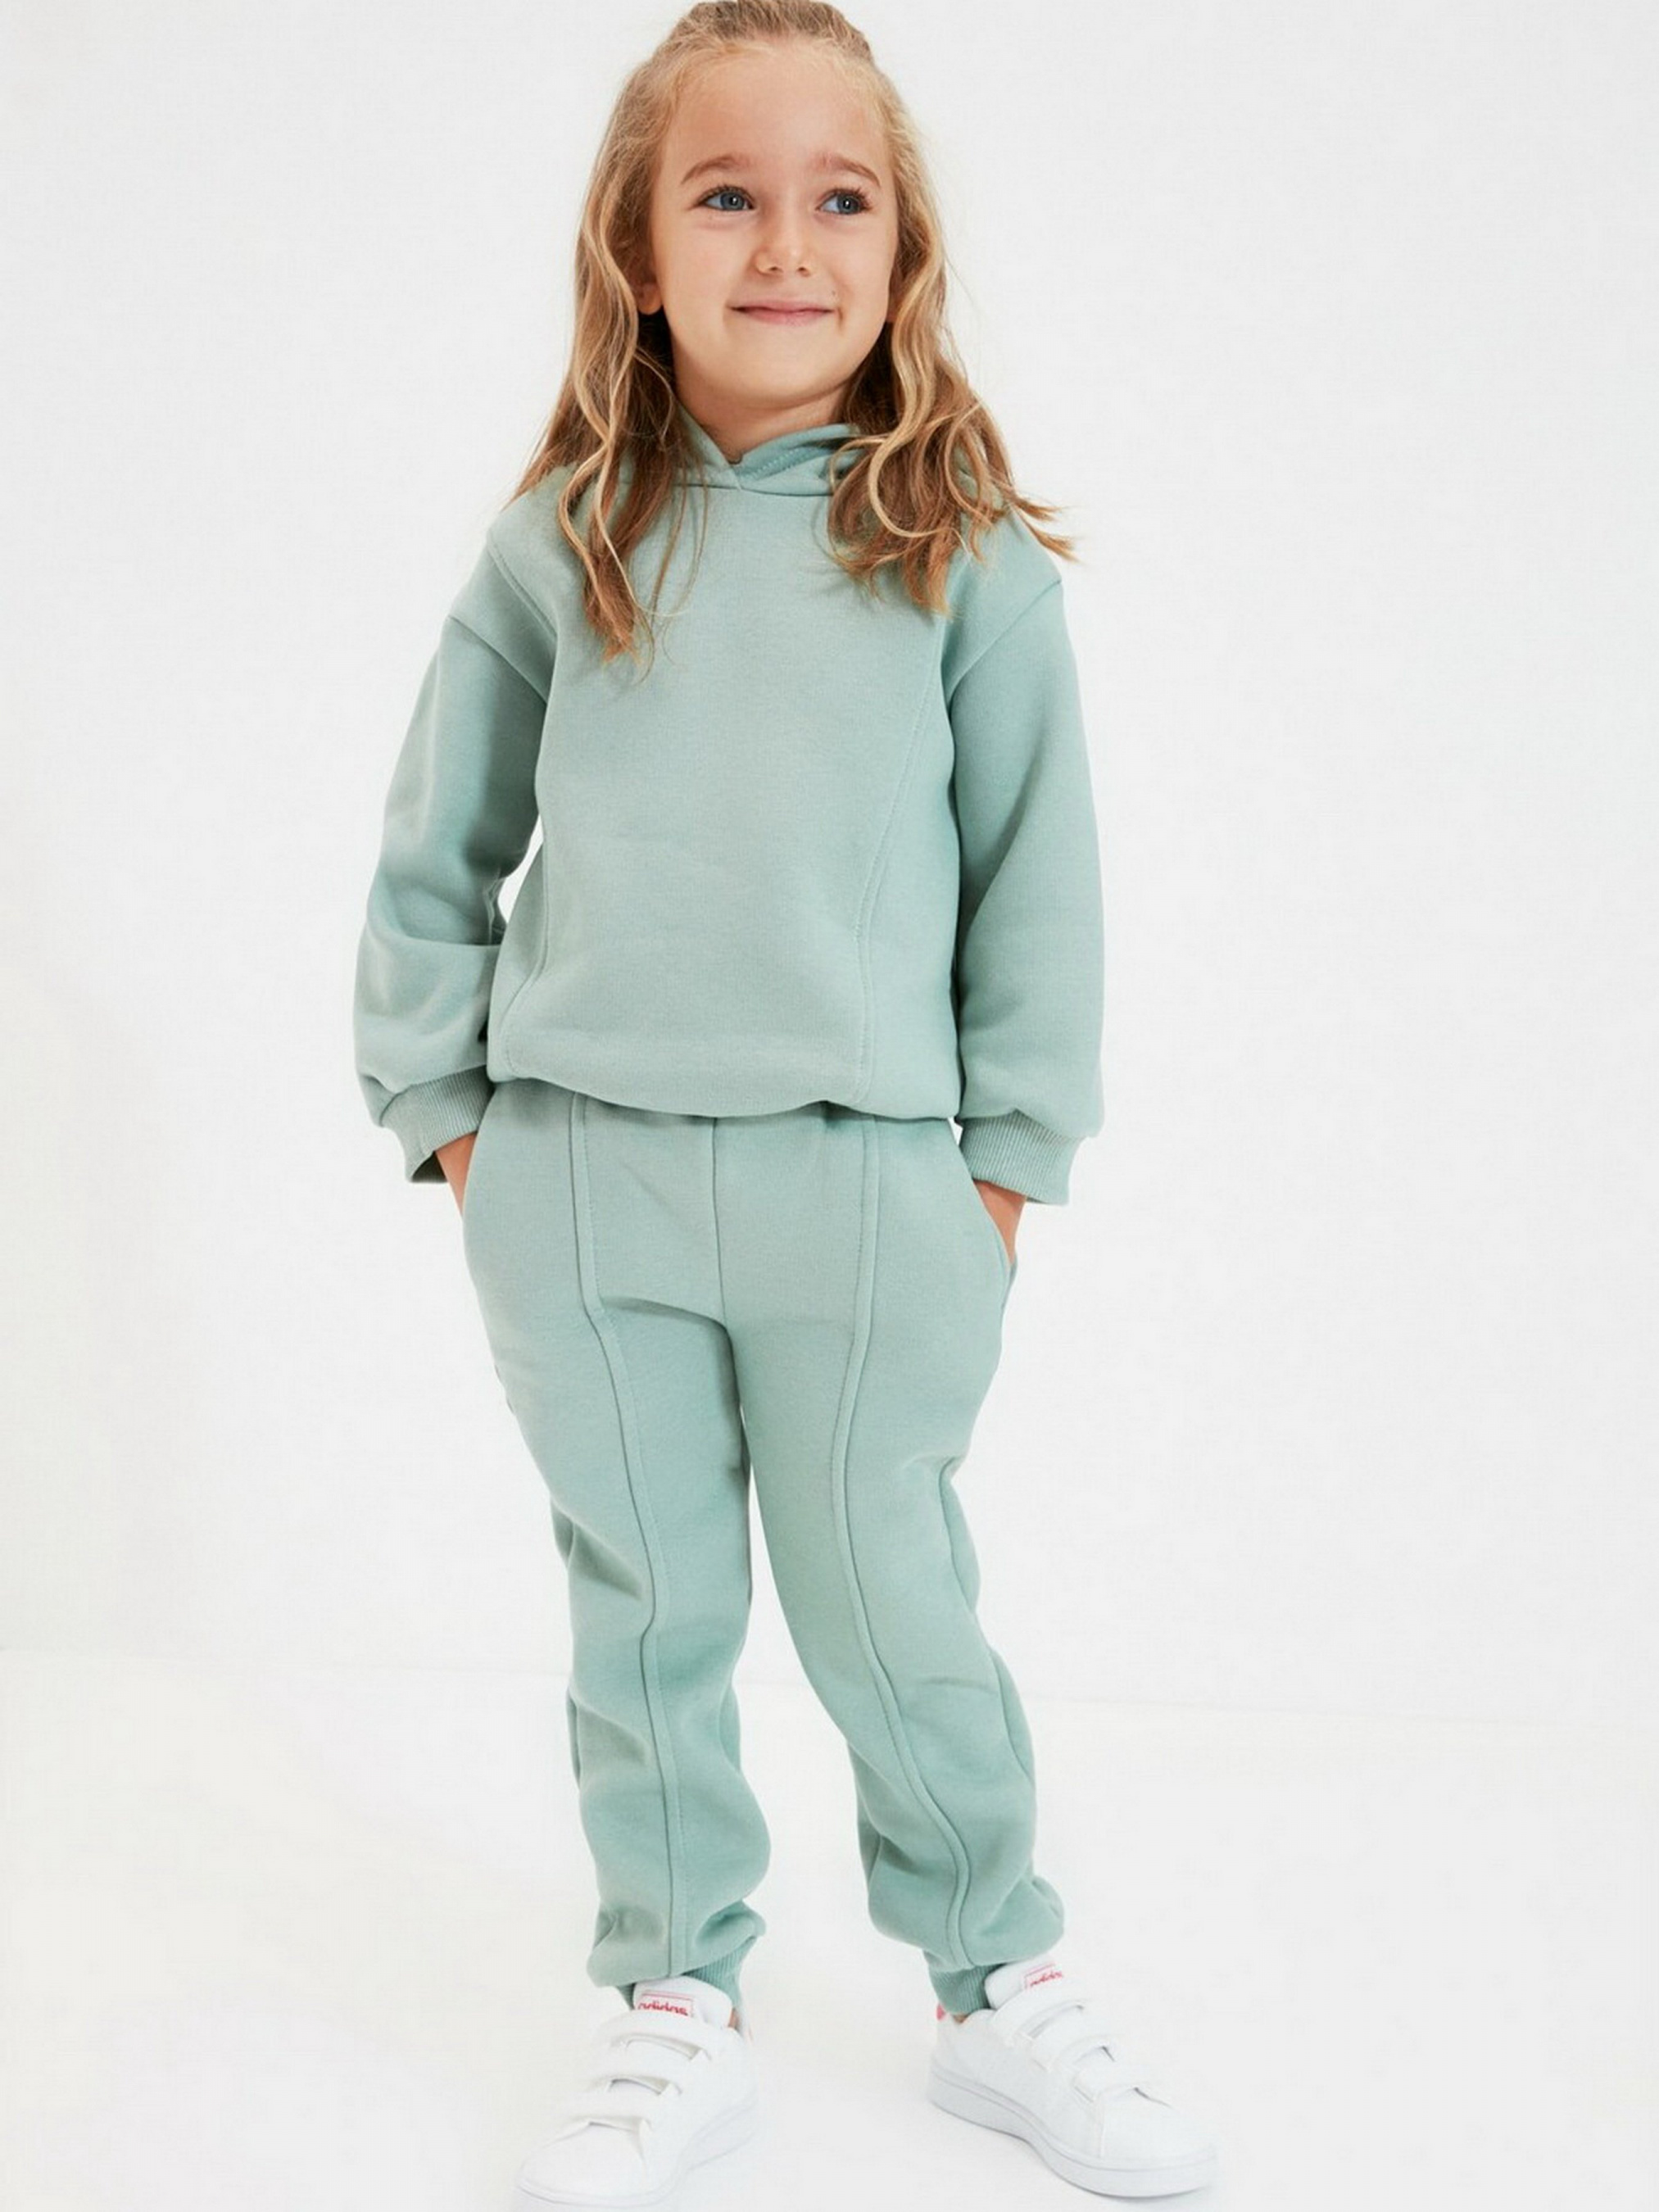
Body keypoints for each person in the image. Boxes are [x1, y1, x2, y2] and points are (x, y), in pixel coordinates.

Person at [352, 2, 1219, 2203]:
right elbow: (434, 850)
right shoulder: (562, 543)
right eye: (724, 194)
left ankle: (994, 1982)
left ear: (899, 250)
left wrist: (1000, 1172)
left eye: (839, 199)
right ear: (638, 251)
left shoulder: (963, 559)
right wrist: (454, 1123)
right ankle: (673, 1996)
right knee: (644, 1614)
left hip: (871, 1197)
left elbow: (1039, 882)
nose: (782, 244)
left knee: (891, 1605)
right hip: (583, 1186)